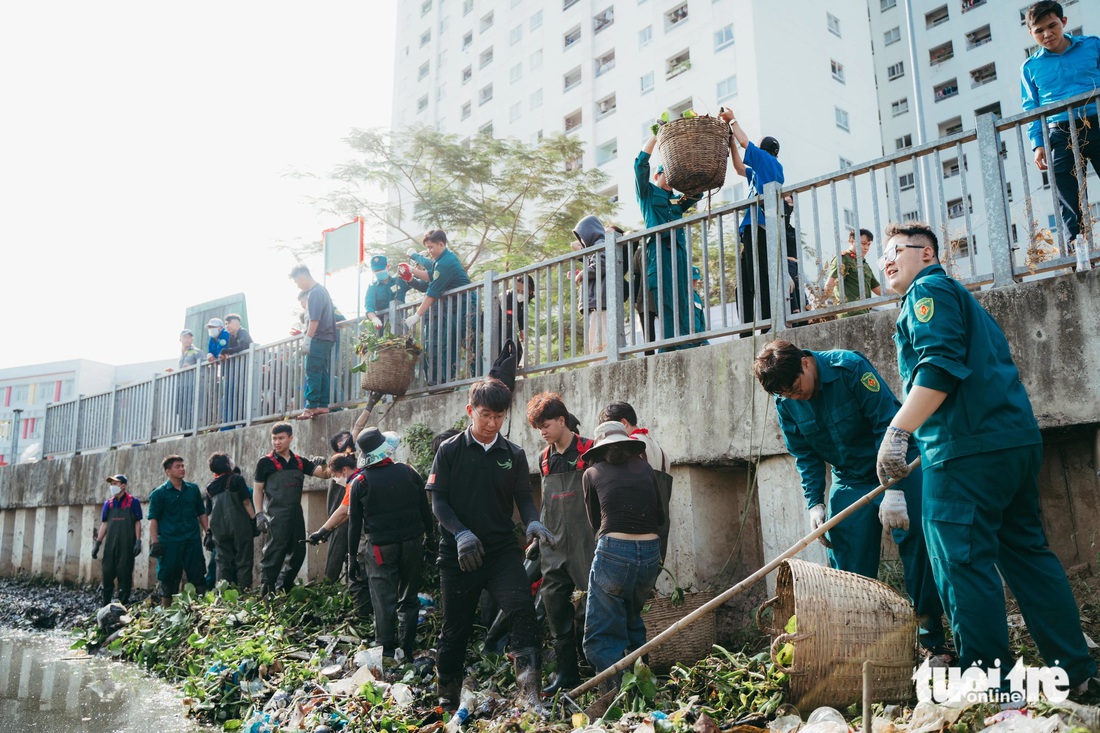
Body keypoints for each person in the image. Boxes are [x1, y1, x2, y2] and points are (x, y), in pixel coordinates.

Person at [874, 221, 1096, 692]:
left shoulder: (927, 293)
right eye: (883, 256)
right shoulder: (965, 302)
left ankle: (989, 685)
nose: (886, 260)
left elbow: (938, 365)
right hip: (1010, 442)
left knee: (962, 564)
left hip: (964, 452)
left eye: (897, 250)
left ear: (928, 255)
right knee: (1029, 557)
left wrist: (898, 430)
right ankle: (1075, 673)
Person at [752, 340, 947, 657]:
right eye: (785, 394)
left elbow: (886, 421)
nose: (794, 396)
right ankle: (860, 646)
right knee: (847, 561)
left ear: (805, 363)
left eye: (795, 388)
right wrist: (814, 503)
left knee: (917, 545)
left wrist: (893, 488)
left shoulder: (849, 368)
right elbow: (806, 456)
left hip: (897, 462)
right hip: (851, 478)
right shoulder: (785, 402)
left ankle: (932, 641)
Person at [427, 377, 554, 711]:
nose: (492, 423)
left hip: (500, 552)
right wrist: (460, 534)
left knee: (522, 611)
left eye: (499, 417)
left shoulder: (512, 453)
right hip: (459, 555)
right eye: (485, 415)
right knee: (456, 627)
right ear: (471, 411)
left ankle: (530, 695)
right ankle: (447, 695)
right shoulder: (450, 450)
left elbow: (524, 499)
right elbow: (438, 502)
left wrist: (533, 521)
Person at [581, 421, 663, 692]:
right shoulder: (647, 469)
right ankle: (641, 688)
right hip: (651, 553)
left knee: (603, 633)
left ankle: (615, 695)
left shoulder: (591, 473)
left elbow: (596, 522)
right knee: (632, 621)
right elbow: (660, 516)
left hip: (615, 551)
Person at [525, 392, 594, 695]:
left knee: (593, 605)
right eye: (538, 426)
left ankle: (597, 669)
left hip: (585, 542)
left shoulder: (590, 451)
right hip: (553, 545)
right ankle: (566, 674)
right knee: (555, 609)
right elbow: (545, 505)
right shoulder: (543, 458)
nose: (543, 431)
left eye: (546, 424)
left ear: (562, 421)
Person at [1020, 2, 1100, 257]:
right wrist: (1038, 144)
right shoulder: (1030, 67)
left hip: (1096, 122)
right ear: (1031, 34)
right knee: (1069, 198)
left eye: (1052, 26)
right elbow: (1031, 107)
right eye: (1039, 30)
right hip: (1059, 133)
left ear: (1063, 22)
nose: (1047, 34)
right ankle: (1080, 254)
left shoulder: (1093, 45)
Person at [347, 428, 433, 662]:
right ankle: (405, 650)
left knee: (383, 601)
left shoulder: (360, 482)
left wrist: (351, 558)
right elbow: (425, 509)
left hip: (380, 550)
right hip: (412, 543)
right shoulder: (408, 471)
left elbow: (354, 525)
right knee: (409, 597)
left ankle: (385, 652)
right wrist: (431, 538)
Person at [634, 136, 702, 352]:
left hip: (679, 253)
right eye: (667, 173)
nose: (670, 178)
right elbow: (639, 166)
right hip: (660, 252)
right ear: (657, 175)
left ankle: (689, 342)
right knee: (665, 300)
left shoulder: (675, 199)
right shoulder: (647, 192)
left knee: (683, 297)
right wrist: (655, 137)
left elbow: (695, 194)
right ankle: (669, 348)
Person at [718, 107, 785, 326]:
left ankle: (766, 323)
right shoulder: (760, 171)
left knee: (762, 277)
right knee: (747, 280)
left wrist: (732, 121)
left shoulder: (768, 161)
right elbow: (739, 168)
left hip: (761, 228)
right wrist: (730, 144)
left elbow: (746, 143)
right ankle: (749, 327)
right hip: (752, 228)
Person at [253, 421, 330, 594]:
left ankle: (283, 586)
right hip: (275, 514)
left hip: (296, 513)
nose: (277, 442)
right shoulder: (265, 463)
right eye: (274, 439)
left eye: (281, 438)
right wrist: (259, 515)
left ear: (290, 438)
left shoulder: (300, 462)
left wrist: (324, 463)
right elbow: (258, 490)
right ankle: (267, 590)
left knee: (298, 552)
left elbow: (325, 475)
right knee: (274, 553)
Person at [597, 401, 672, 560]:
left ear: (623, 423)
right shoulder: (658, 447)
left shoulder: (630, 448)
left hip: (635, 528)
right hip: (659, 525)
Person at [403, 229, 474, 385]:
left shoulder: (445, 263)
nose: (429, 251)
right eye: (427, 248)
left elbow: (432, 292)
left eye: (431, 247)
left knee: (471, 344)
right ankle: (449, 382)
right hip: (454, 309)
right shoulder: (441, 260)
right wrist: (412, 272)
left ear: (441, 244)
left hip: (466, 307)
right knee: (454, 345)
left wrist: (416, 316)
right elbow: (430, 275)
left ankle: (480, 380)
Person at [148, 455, 209, 606]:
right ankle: (167, 611)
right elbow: (153, 519)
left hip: (192, 540)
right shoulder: (158, 494)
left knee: (198, 574)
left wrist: (208, 532)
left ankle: (202, 607)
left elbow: (201, 513)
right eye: (177, 466)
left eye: (183, 466)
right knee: (168, 577)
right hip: (170, 542)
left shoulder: (193, 489)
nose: (182, 469)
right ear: (168, 471)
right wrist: (155, 542)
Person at [290, 264, 338, 419]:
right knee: (322, 371)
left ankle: (310, 407)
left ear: (301, 278)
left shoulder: (315, 293)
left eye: (297, 282)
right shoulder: (321, 290)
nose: (298, 286)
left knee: (312, 371)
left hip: (318, 337)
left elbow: (314, 320)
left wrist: (308, 339)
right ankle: (322, 405)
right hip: (327, 337)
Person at [205, 452, 257, 587]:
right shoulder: (237, 480)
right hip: (239, 525)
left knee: (222, 561)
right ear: (227, 465)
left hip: (218, 529)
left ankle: (222, 595)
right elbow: (246, 502)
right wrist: (254, 521)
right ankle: (244, 592)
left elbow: (208, 513)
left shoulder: (210, 487)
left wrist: (208, 533)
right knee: (244, 560)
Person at [91, 474, 142, 606]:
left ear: (123, 486)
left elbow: (137, 522)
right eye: (111, 484)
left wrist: (138, 541)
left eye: (115, 483)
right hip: (110, 544)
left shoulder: (133, 502)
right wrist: (98, 543)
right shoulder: (109, 503)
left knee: (124, 573)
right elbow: (105, 524)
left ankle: (122, 604)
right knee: (107, 572)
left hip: (127, 544)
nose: (112, 486)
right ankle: (106, 602)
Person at [572, 215, 614, 356]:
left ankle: (600, 363)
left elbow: (601, 263)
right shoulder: (595, 246)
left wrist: (583, 273)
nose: (582, 241)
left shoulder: (600, 243)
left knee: (600, 338)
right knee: (597, 336)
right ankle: (599, 362)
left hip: (599, 301)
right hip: (596, 301)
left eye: (582, 236)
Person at [823, 229, 882, 318]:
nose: (866, 248)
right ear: (851, 241)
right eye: (863, 243)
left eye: (869, 245)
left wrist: (902, 289)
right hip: (849, 312)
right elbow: (829, 285)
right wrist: (822, 307)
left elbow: (879, 290)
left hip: (864, 311)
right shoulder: (843, 259)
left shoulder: (864, 265)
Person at [494, 274, 534, 364]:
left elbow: (521, 312)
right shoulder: (507, 297)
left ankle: (509, 372)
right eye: (517, 291)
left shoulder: (526, 298)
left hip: (507, 324)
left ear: (530, 291)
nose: (520, 293)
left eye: (523, 291)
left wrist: (522, 329)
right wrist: (510, 341)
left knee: (518, 351)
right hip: (498, 324)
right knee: (507, 350)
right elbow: (508, 321)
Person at [364, 255, 410, 332]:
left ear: (388, 267)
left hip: (401, 326)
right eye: (376, 271)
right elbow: (369, 307)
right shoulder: (372, 288)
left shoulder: (399, 281)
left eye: (381, 269)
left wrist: (419, 263)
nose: (379, 272)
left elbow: (417, 283)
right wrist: (374, 319)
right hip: (384, 328)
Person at [171, 329, 202, 432]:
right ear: (180, 339)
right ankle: (185, 430)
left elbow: (205, 366)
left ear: (192, 339)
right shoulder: (181, 354)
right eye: (185, 337)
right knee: (180, 409)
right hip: (181, 385)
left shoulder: (196, 351)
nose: (187, 339)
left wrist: (192, 366)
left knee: (190, 408)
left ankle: (191, 430)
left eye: (189, 337)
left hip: (192, 384)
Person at [691, 266, 707, 335]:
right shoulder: (682, 295)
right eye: (693, 280)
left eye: (696, 280)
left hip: (699, 335)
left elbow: (702, 318)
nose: (695, 282)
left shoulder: (696, 296)